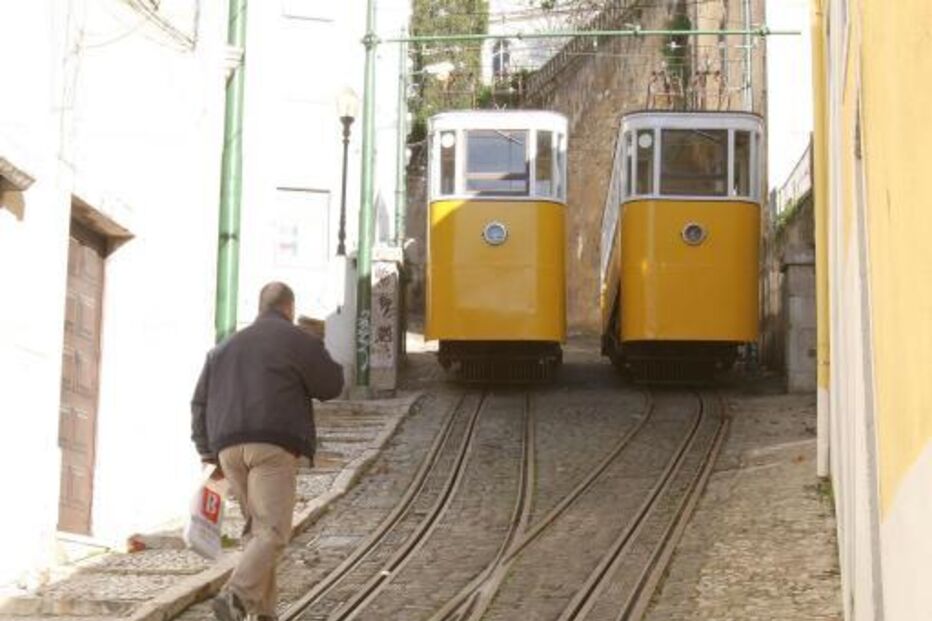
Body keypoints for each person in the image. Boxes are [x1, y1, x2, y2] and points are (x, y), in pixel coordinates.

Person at [191, 282, 344, 621]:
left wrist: (206, 452)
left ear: (261, 307)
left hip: (228, 448)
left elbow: (199, 401)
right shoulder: (296, 339)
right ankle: (236, 595)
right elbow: (331, 385)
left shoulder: (225, 347)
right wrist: (316, 346)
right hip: (272, 445)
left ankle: (264, 613)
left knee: (258, 532)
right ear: (289, 308)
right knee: (273, 531)